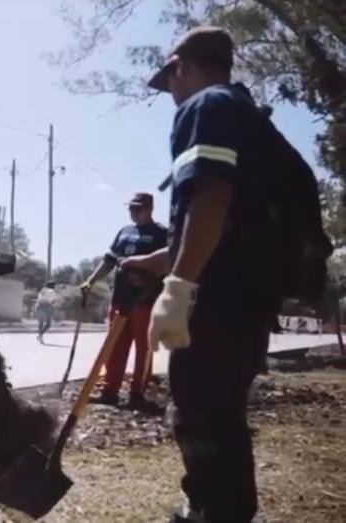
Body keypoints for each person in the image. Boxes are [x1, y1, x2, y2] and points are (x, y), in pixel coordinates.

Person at [127, 26, 289, 522]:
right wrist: (151, 265)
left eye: (169, 81)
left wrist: (177, 289)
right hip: (247, 297)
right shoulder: (245, 114)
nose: (170, 94)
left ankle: (214, 511)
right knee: (221, 415)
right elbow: (218, 224)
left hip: (219, 301)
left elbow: (211, 198)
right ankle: (214, 507)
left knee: (202, 415)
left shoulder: (206, 107)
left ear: (182, 66)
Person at [79, 192, 167, 408]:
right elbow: (109, 260)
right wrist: (90, 281)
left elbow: (167, 263)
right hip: (120, 298)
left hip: (145, 301)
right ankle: (110, 391)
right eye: (131, 209)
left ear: (149, 209)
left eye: (138, 209)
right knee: (115, 347)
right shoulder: (124, 232)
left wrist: (148, 276)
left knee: (143, 348)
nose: (134, 213)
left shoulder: (162, 233)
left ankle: (138, 394)